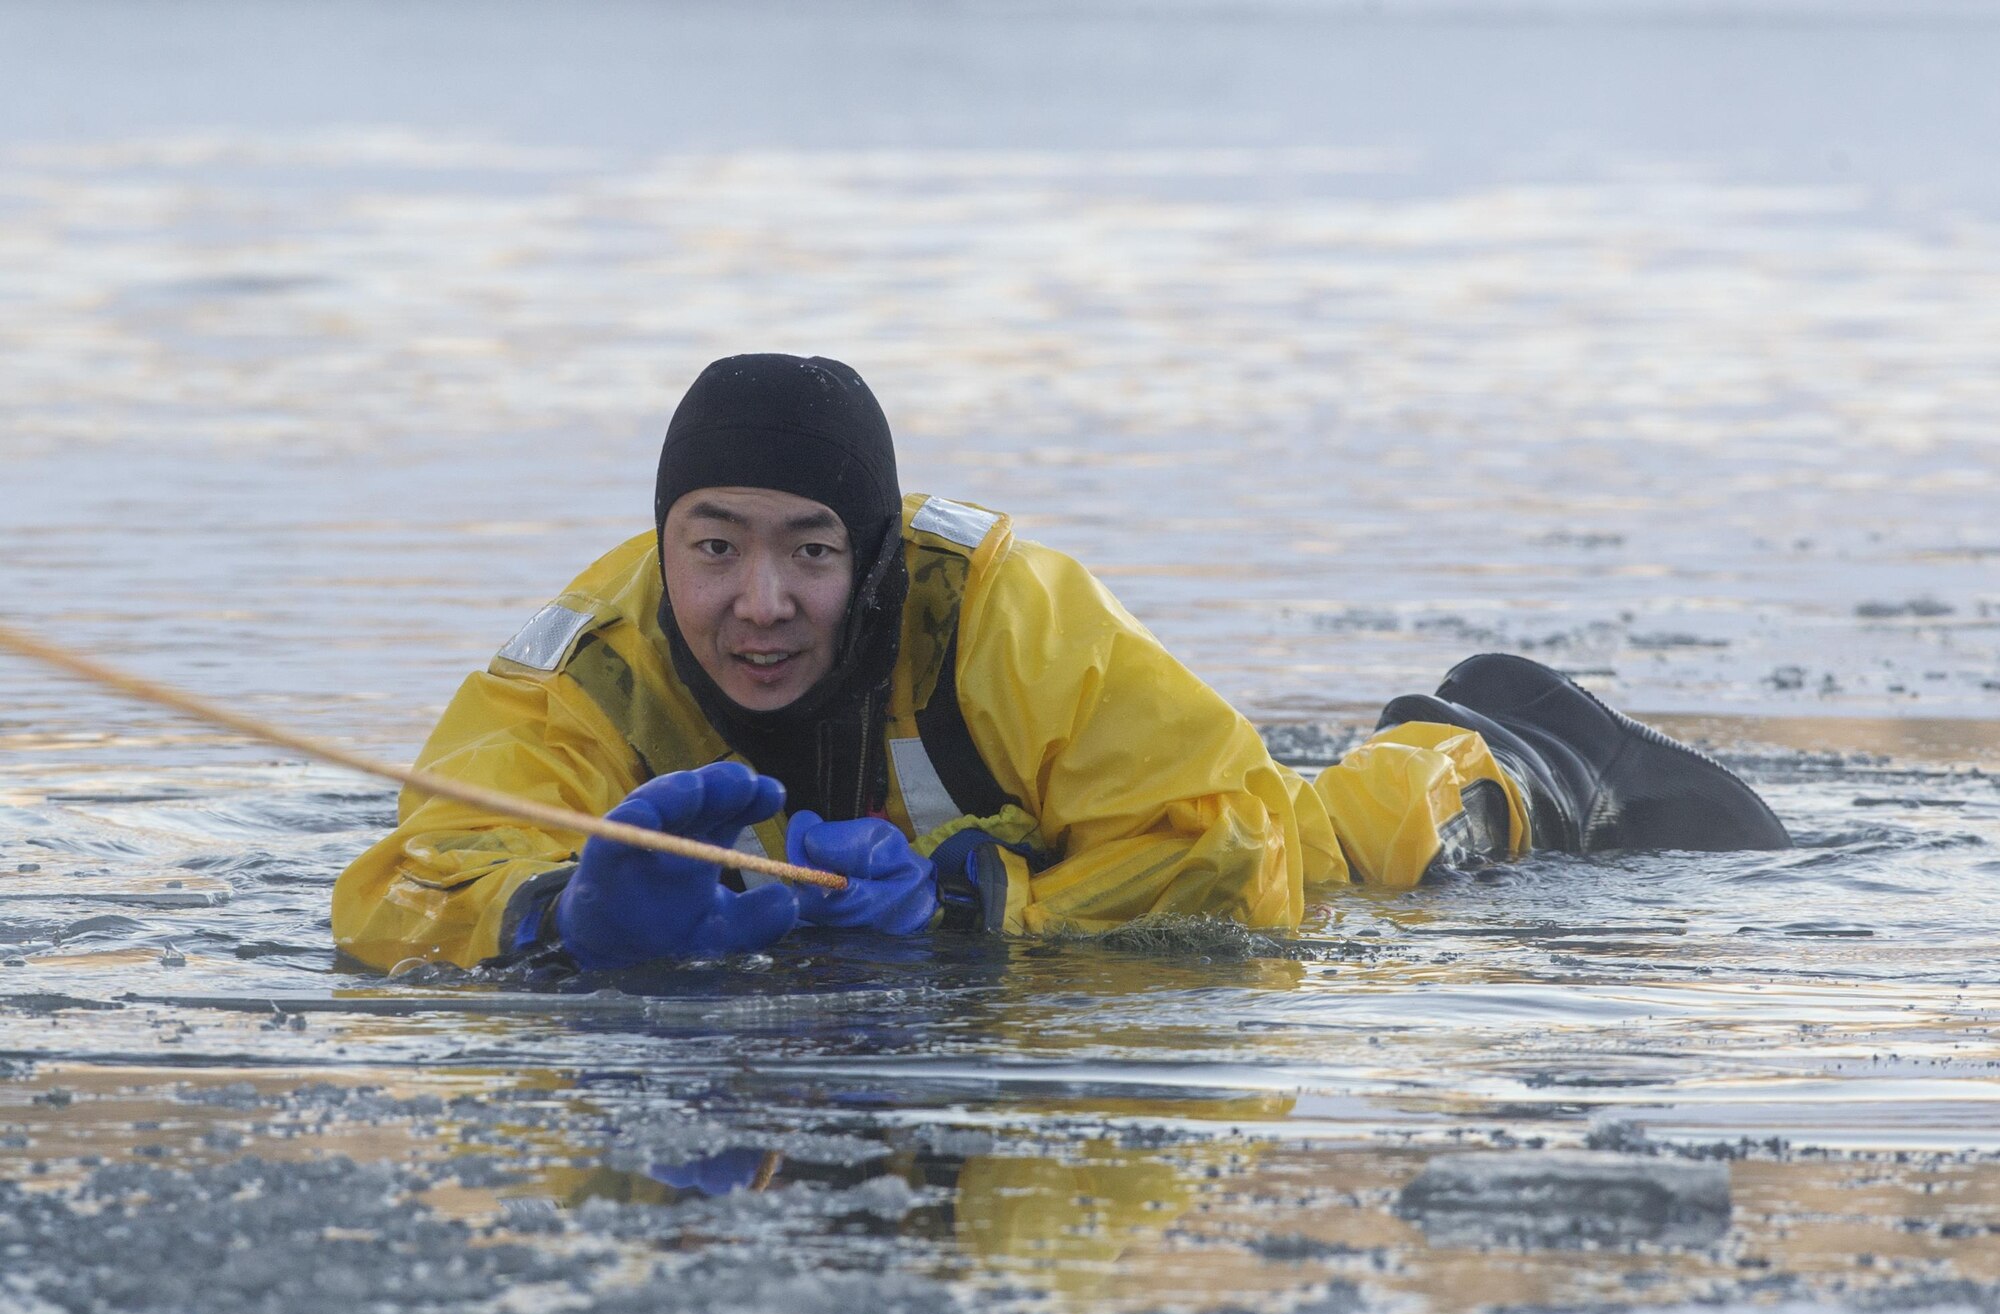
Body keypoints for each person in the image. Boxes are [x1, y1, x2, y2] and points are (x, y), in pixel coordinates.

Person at [333, 354, 1790, 972]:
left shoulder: (1004, 612)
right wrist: (551, 920)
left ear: (877, 557)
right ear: (665, 546)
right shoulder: (588, 663)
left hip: (1065, 847)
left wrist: (973, 909)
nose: (758, 602)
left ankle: (1517, 750)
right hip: (839, 903)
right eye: (713, 547)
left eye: (810, 551)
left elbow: (1224, 850)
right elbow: (416, 873)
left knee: (1317, 839)